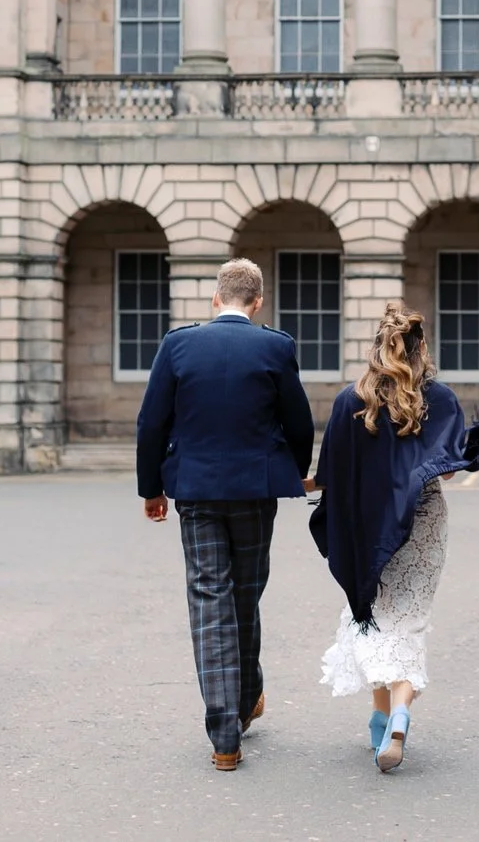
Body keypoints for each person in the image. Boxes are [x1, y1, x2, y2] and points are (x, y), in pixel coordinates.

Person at [135, 257, 314, 772]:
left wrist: (152, 489)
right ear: (257, 302)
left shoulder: (178, 344)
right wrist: (292, 472)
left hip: (195, 491)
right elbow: (298, 421)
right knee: (245, 592)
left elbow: (152, 422)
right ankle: (243, 699)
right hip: (256, 491)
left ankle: (224, 734)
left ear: (216, 298)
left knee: (209, 595)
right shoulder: (277, 345)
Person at [309, 302, 479, 773]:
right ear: (420, 348)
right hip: (423, 522)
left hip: (369, 527)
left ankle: (381, 716)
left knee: (371, 611)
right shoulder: (440, 399)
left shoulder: (351, 400)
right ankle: (398, 713)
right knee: (408, 620)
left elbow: (330, 474)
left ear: (378, 347)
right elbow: (444, 473)